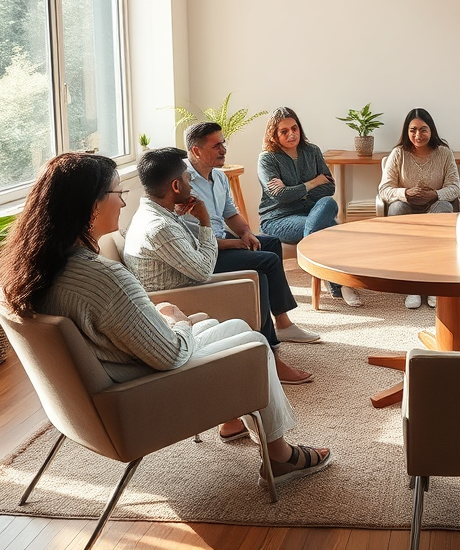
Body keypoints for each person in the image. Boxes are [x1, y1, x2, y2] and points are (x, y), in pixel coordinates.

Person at [0, 153, 332, 483]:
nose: (123, 203)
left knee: (235, 327)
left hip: (105, 385)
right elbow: (171, 355)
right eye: (118, 193)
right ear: (92, 206)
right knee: (255, 345)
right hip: (141, 389)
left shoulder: (35, 271)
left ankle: (232, 419)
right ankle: (280, 455)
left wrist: (161, 318)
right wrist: (175, 318)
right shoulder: (104, 279)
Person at [124, 147, 320, 384]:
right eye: (187, 178)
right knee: (259, 273)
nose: (191, 183)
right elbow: (203, 270)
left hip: (186, 280)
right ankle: (271, 358)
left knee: (260, 265)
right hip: (179, 295)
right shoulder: (160, 227)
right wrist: (205, 221)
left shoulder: (157, 212)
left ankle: (272, 345)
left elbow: (195, 250)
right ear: (175, 186)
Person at [255, 107, 363, 308]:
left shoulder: (312, 151)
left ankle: (319, 263)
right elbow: (279, 196)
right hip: (278, 218)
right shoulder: (267, 158)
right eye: (284, 131)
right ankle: (341, 284)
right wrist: (313, 183)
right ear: (273, 134)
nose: (291, 134)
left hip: (313, 212)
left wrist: (293, 190)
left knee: (328, 203)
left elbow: (329, 187)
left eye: (294, 128)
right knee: (330, 231)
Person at [378, 108, 460, 309]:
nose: (418, 135)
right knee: (396, 208)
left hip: (435, 206)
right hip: (407, 208)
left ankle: (434, 283)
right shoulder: (398, 153)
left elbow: (454, 187)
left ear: (431, 130)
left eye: (423, 129)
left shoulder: (444, 153)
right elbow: (384, 189)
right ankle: (412, 285)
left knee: (443, 207)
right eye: (413, 130)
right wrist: (406, 193)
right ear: (406, 132)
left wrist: (435, 194)